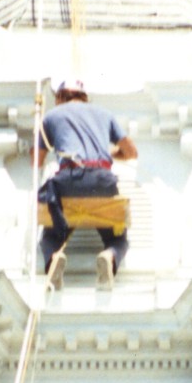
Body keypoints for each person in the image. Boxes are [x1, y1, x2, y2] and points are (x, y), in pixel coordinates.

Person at [38, 80, 139, 290]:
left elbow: (36, 161)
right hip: (101, 181)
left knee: (49, 237)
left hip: (69, 181)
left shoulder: (51, 117)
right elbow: (131, 152)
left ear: (59, 97)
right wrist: (110, 154)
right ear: (84, 96)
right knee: (118, 239)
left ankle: (55, 259)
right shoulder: (104, 114)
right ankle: (109, 256)